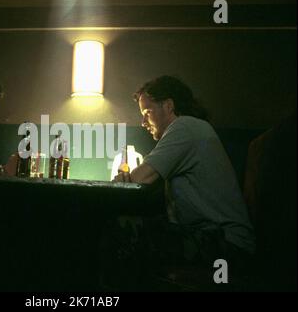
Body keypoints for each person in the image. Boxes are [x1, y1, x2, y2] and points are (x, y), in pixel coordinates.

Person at [108, 76, 255, 289]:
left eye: (147, 113)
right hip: (222, 241)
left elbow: (140, 179)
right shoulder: (192, 129)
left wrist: (125, 179)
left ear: (168, 106)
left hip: (228, 247)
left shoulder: (185, 127)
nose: (143, 123)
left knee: (122, 228)